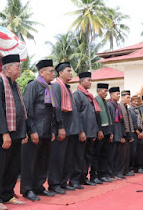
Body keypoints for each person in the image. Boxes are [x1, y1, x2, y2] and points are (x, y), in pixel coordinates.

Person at [0, 54, 28, 210]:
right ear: (8, 67)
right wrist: (4, 133)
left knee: (12, 166)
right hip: (1, 134)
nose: (20, 69)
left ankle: (7, 194)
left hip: (17, 133)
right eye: (18, 66)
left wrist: (23, 132)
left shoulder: (15, 85)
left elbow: (21, 110)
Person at [20, 59, 56, 201]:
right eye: (51, 71)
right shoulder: (34, 86)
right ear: (42, 72)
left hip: (46, 131)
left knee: (43, 161)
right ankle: (27, 189)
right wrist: (32, 130)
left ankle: (39, 186)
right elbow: (27, 109)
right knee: (30, 161)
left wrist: (52, 130)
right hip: (35, 130)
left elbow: (52, 111)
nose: (53, 74)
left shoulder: (49, 88)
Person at [48, 62, 81, 194]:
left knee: (67, 158)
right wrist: (60, 127)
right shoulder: (56, 86)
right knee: (57, 157)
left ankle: (63, 182)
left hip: (70, 130)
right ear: (60, 73)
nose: (71, 73)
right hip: (61, 129)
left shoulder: (67, 88)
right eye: (68, 71)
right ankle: (54, 184)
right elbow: (55, 109)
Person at [72, 72, 100, 187]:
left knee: (87, 156)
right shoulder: (77, 95)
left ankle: (83, 177)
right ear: (82, 81)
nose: (90, 82)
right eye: (88, 80)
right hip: (82, 132)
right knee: (78, 156)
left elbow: (93, 115)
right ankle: (75, 180)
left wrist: (95, 131)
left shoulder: (89, 96)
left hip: (90, 132)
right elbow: (76, 115)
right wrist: (81, 131)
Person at [90, 83, 113, 184]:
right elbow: (95, 117)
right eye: (104, 91)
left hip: (107, 131)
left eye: (107, 91)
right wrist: (98, 130)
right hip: (100, 131)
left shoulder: (104, 102)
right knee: (96, 154)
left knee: (104, 154)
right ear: (98, 91)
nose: (106, 93)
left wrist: (111, 132)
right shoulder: (95, 101)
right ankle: (93, 176)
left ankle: (102, 174)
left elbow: (108, 118)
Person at [106, 87, 127, 179]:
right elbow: (110, 121)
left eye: (119, 94)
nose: (119, 96)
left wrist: (122, 135)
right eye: (117, 94)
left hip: (118, 134)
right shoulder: (109, 105)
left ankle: (115, 173)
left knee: (117, 156)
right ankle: (110, 174)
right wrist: (110, 133)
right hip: (113, 134)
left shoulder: (117, 106)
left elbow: (121, 122)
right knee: (110, 156)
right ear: (111, 95)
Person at [119, 90, 135, 177]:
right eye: (127, 97)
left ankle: (126, 170)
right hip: (122, 134)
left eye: (129, 97)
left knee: (127, 154)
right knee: (122, 155)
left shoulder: (127, 108)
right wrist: (121, 135)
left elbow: (130, 122)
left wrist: (131, 134)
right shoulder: (119, 107)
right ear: (122, 97)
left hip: (128, 134)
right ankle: (120, 171)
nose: (129, 99)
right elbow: (120, 123)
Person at [128, 96, 143, 174]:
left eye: (137, 101)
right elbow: (131, 123)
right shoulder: (130, 110)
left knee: (140, 151)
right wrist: (138, 132)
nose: (136, 103)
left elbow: (142, 122)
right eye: (134, 101)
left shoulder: (139, 110)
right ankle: (131, 167)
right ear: (131, 102)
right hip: (134, 132)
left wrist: (142, 132)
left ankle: (138, 167)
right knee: (133, 151)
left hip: (140, 132)